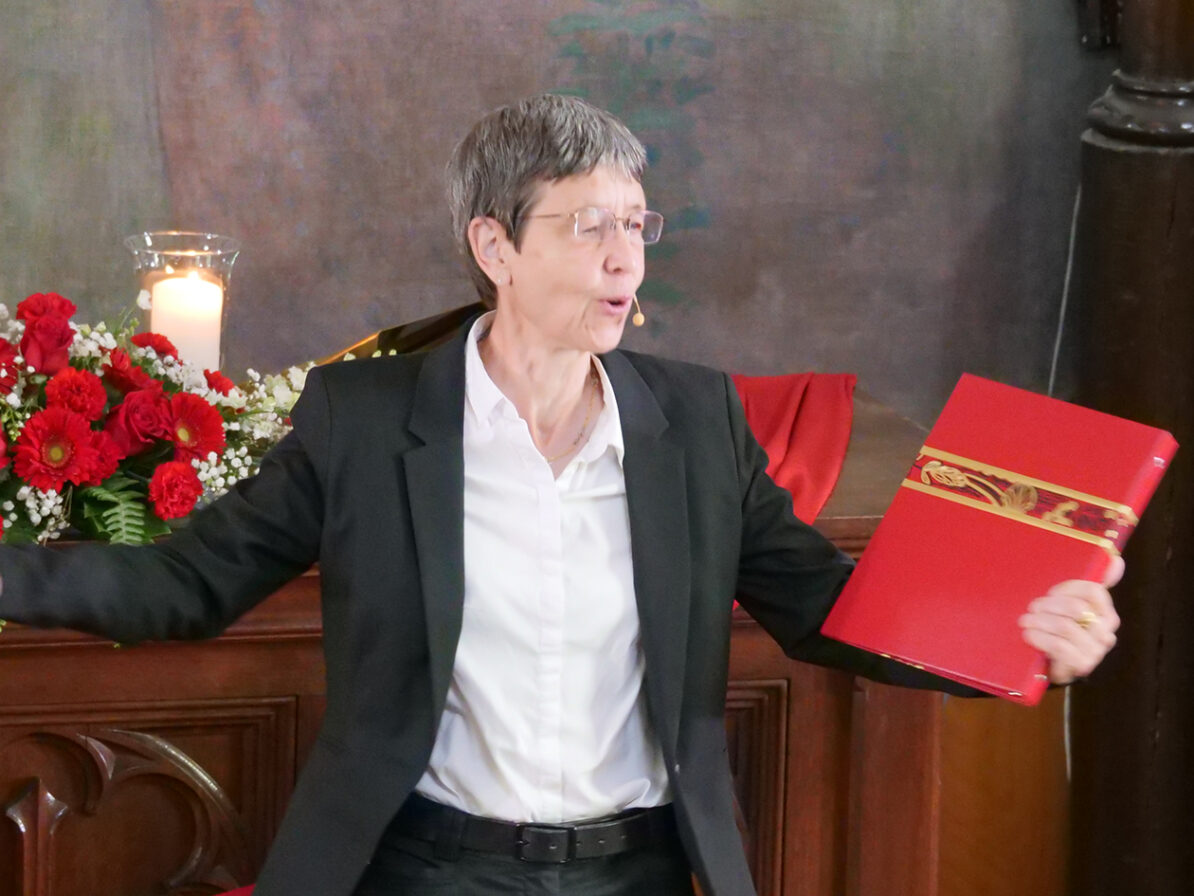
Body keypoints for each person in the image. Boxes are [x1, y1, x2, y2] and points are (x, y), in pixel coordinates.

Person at [0, 94, 1120, 896]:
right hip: (419, 861)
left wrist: (1014, 638)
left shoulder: (695, 423)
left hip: (633, 864)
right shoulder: (367, 419)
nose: (625, 258)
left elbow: (828, 605)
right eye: (588, 226)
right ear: (495, 244)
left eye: (638, 224)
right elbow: (185, 583)